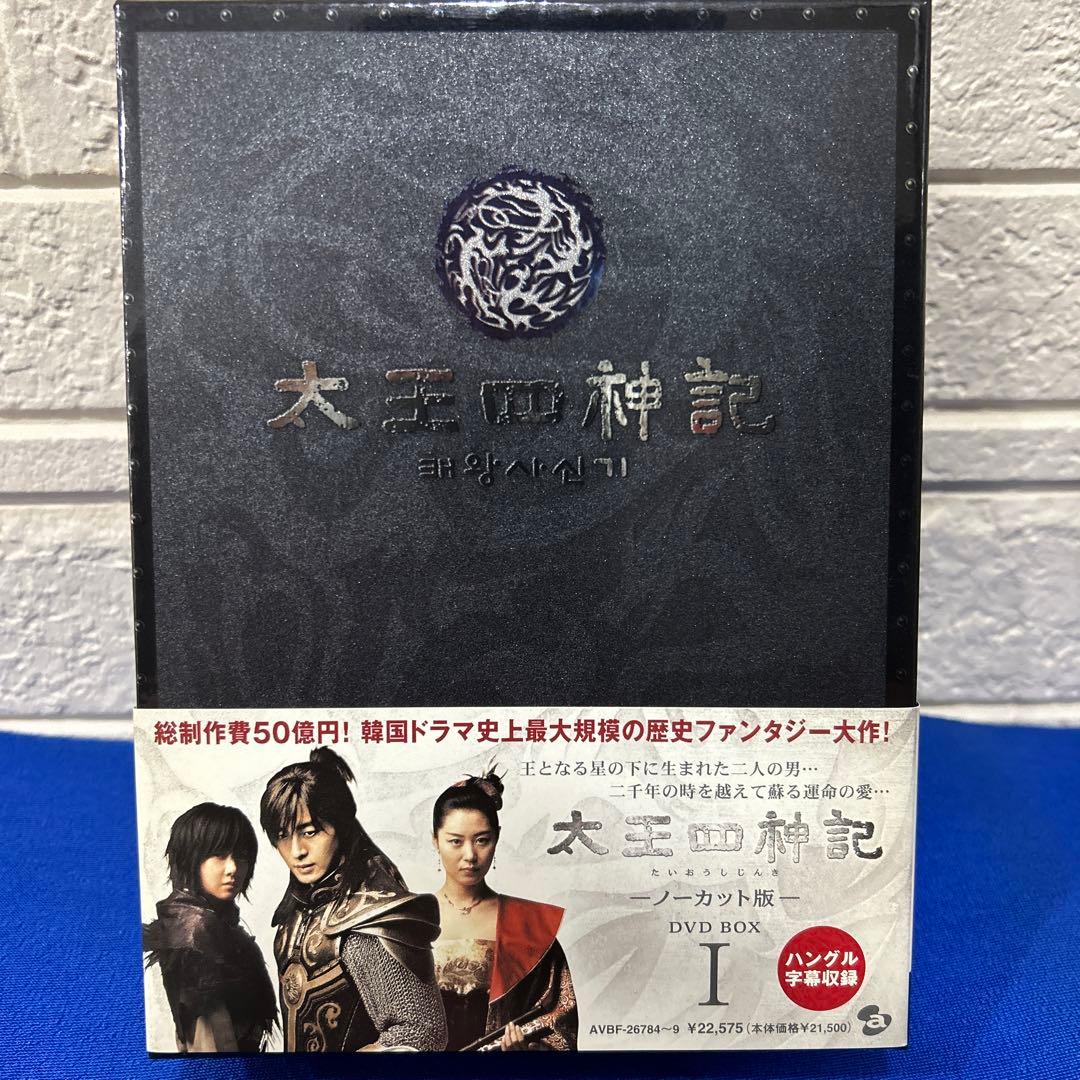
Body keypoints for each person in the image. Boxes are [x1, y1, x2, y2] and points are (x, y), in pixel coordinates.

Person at [261, 747, 446, 1052]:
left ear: (341, 826)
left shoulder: (371, 919)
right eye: (283, 835)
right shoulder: (292, 919)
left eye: (310, 832)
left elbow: (421, 1032)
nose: (296, 851)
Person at [431, 771, 578, 1051]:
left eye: (481, 840)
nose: (470, 855)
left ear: (496, 838)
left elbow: (560, 1024)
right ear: (435, 840)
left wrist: (525, 1053)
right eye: (455, 841)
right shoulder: (405, 921)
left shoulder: (530, 926)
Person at [143, 802, 277, 1052]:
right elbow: (212, 1047)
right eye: (219, 855)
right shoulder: (197, 933)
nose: (233, 868)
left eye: (241, 856)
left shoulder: (213, 926)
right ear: (191, 859)